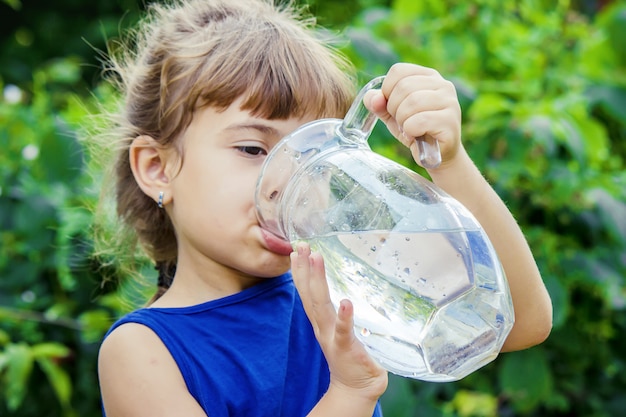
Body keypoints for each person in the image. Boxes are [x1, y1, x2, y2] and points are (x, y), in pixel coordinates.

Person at [95, 0, 553, 416]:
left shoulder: (341, 285)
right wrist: (349, 395)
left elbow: (519, 322)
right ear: (156, 167)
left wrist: (447, 163)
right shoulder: (143, 352)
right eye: (254, 149)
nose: (286, 181)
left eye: (310, 156)